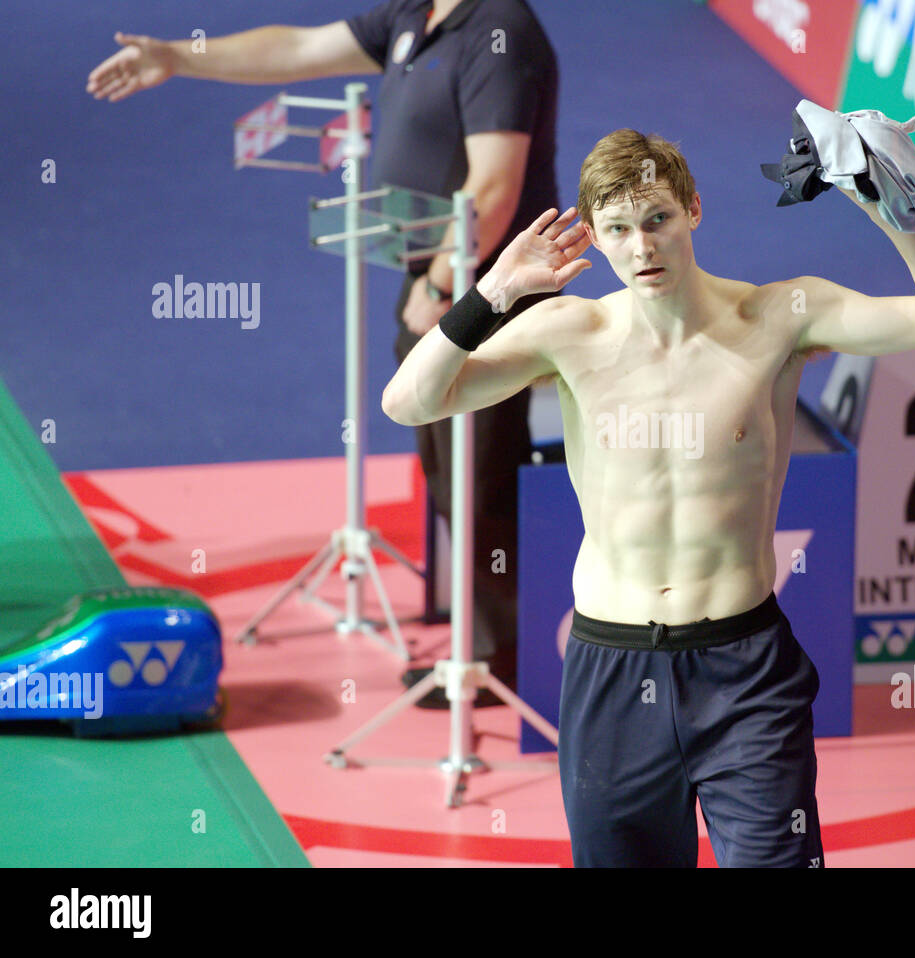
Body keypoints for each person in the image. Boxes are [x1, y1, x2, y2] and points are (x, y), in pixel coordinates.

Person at [381, 129, 915, 867]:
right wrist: (492, 294)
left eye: (658, 219)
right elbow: (407, 403)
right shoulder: (571, 330)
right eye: (619, 230)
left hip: (746, 670)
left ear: (694, 210)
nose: (642, 248)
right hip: (612, 668)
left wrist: (889, 210)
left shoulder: (779, 316)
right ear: (596, 238)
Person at [87, 0, 561, 707]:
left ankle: (500, 663)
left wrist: (442, 286)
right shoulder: (416, 12)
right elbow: (299, 47)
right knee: (447, 464)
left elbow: (494, 187)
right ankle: (478, 641)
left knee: (481, 473)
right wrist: (180, 56)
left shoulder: (500, 33)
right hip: (439, 273)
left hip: (485, 291)